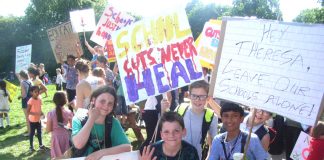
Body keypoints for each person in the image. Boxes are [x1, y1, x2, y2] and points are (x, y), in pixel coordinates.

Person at [71, 85, 131, 159]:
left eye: (110, 103)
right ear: (93, 100)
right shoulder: (79, 118)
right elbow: (78, 144)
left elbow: (127, 147)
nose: (106, 106)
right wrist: (92, 119)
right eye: (102, 101)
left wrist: (101, 153)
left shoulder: (112, 122)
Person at [175, 80, 218, 160]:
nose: (198, 100)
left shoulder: (211, 116)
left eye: (202, 96)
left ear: (207, 98)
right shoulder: (180, 109)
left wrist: (209, 158)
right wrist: (163, 110)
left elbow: (213, 143)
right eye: (194, 96)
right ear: (189, 96)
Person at [46, 91, 73, 158]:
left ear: (54, 101)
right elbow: (73, 127)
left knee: (57, 157)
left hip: (56, 138)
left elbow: (48, 129)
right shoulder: (69, 112)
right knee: (67, 157)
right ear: (65, 100)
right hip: (66, 137)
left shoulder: (51, 113)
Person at [27, 86, 46, 152]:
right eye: (35, 92)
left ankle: (41, 145)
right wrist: (36, 114)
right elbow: (28, 111)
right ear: (31, 93)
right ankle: (31, 147)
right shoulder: (30, 101)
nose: (37, 93)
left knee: (39, 133)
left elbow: (39, 109)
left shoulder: (39, 99)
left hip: (38, 120)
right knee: (32, 133)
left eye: (38, 91)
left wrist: (42, 113)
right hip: (32, 121)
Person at [18, 70, 33, 136]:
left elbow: (24, 95)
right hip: (32, 100)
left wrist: (19, 96)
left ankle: (30, 133)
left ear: (21, 76)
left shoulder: (22, 82)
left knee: (28, 117)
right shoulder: (30, 81)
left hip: (26, 101)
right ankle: (33, 130)